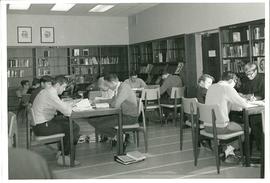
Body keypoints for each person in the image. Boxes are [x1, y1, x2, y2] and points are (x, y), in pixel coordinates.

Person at [205, 71, 257, 163]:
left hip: (207, 126)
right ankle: (227, 151)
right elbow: (244, 104)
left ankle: (228, 152)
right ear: (231, 80)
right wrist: (246, 100)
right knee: (247, 129)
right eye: (235, 82)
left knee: (233, 124)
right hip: (221, 127)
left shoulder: (212, 87)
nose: (235, 84)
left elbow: (224, 104)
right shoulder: (228, 88)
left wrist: (239, 105)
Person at [32, 75, 80, 166]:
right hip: (42, 127)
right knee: (73, 127)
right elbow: (67, 112)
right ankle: (64, 156)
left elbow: (58, 105)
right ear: (57, 85)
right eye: (64, 87)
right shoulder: (51, 94)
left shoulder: (47, 91)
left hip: (40, 124)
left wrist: (66, 105)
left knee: (68, 123)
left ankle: (62, 151)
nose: (64, 89)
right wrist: (70, 105)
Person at [88, 73, 138, 142]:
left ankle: (119, 135)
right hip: (122, 114)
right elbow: (112, 100)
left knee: (100, 125)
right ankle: (119, 135)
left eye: (107, 84)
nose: (107, 87)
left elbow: (115, 104)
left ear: (113, 82)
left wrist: (111, 102)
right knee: (92, 120)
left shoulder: (124, 88)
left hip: (130, 117)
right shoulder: (119, 88)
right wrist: (99, 101)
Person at [239, 63, 264, 151]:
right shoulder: (244, 79)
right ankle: (243, 149)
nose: (249, 76)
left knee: (254, 121)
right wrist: (245, 96)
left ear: (256, 71)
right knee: (236, 118)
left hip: (260, 107)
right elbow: (240, 92)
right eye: (247, 74)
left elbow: (263, 94)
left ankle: (261, 148)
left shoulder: (263, 79)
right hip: (247, 105)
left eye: (251, 74)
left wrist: (255, 97)